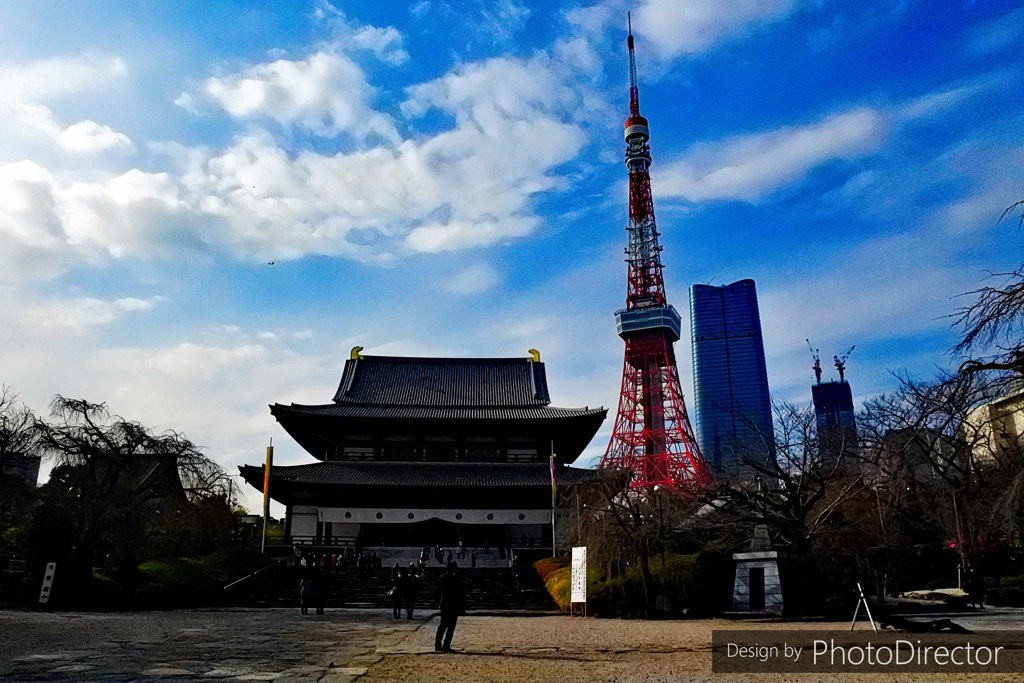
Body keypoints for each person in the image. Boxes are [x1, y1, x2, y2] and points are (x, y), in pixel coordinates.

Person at [435, 561, 465, 652]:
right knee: (451, 626)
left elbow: (437, 591)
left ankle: (437, 644)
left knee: (443, 624)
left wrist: (439, 602)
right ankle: (446, 644)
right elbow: (459, 592)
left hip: (444, 603)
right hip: (453, 604)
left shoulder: (441, 578)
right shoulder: (456, 578)